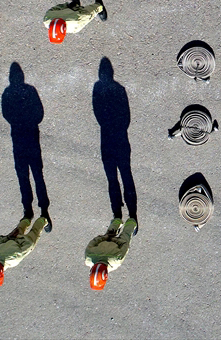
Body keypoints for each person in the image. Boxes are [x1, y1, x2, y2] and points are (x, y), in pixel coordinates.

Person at [1, 63, 51, 227]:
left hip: (19, 137)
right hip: (30, 135)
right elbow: (39, 113)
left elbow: (6, 114)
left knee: (25, 175)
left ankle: (30, 210)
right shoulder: (29, 91)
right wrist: (29, 122)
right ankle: (41, 211)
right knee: (36, 174)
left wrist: (18, 122)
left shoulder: (8, 93)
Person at [92, 58, 137, 220]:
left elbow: (96, 111)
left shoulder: (97, 89)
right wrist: (118, 127)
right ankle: (132, 215)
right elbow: (127, 116)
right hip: (121, 138)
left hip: (106, 139)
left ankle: (117, 214)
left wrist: (107, 125)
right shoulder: (119, 89)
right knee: (126, 175)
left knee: (112, 178)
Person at [0, 217, 49, 287]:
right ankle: (26, 219)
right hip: (11, 237)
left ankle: (43, 219)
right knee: (19, 229)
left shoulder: (13, 260)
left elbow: (27, 247)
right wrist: (7, 237)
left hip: (22, 242)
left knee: (35, 231)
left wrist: (29, 241)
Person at [84, 218, 137, 291]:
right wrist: (105, 237)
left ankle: (132, 222)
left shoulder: (116, 262)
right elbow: (93, 242)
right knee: (111, 231)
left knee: (126, 234)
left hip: (119, 243)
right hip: (105, 239)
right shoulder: (88, 258)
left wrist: (117, 241)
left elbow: (125, 245)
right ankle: (117, 221)